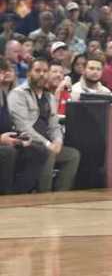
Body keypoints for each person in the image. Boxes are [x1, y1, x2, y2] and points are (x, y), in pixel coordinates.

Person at [8, 58, 80, 192]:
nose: (42, 74)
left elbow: (54, 125)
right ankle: (44, 195)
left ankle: (60, 195)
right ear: (29, 73)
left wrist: (58, 141)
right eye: (37, 70)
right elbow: (22, 126)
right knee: (48, 153)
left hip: (45, 144)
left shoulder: (49, 97)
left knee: (73, 155)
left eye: (45, 71)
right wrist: (47, 144)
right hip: (25, 143)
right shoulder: (18, 94)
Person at [0, 58, 48, 194]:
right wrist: (1, 139)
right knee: (8, 152)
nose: (3, 75)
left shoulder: (4, 94)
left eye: (4, 71)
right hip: (3, 144)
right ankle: (5, 195)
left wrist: (19, 137)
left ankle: (18, 193)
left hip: (6, 140)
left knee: (38, 150)